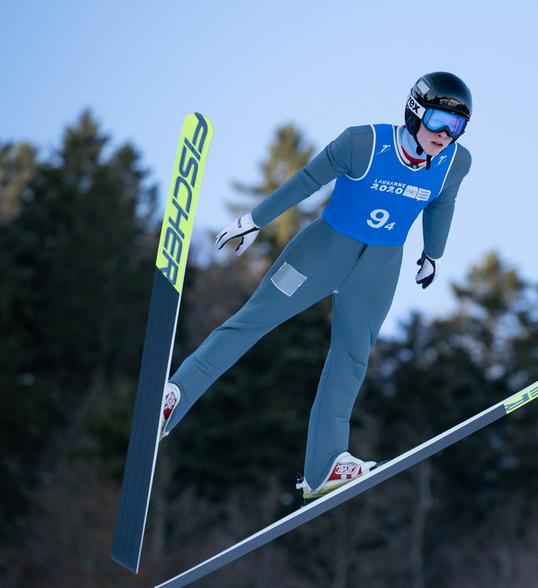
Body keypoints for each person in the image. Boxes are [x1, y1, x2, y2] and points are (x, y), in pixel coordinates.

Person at [158, 72, 473, 501]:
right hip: (322, 253)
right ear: (416, 110)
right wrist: (255, 220)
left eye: (455, 127)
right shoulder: (363, 143)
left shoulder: (456, 162)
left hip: (379, 267)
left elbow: (442, 203)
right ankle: (174, 394)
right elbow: (308, 180)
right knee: (254, 320)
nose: (444, 135)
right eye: (438, 120)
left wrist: (432, 253)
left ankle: (325, 465)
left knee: (351, 357)